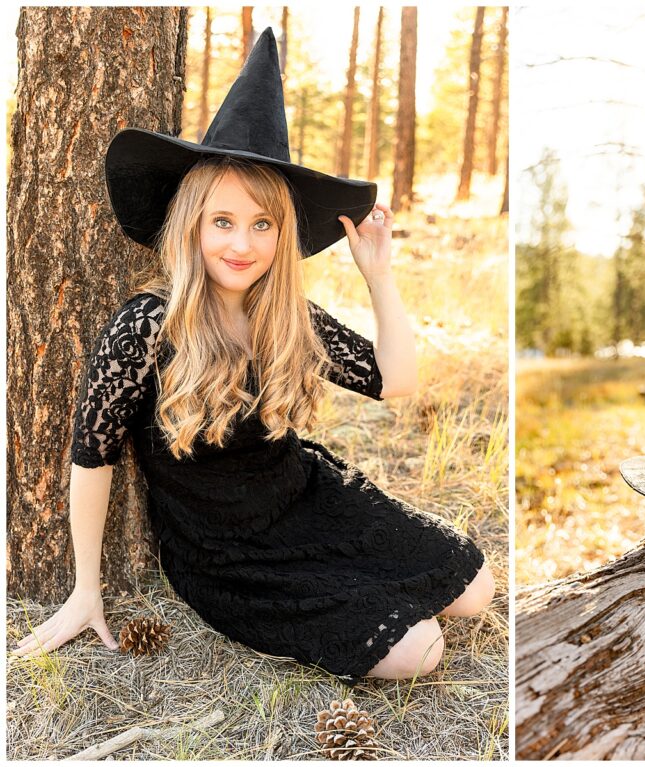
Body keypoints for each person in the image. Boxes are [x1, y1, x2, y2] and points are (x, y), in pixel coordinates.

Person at [10, 28, 494, 680]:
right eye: (223, 221)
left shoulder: (284, 316)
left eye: (262, 224)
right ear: (193, 223)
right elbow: (90, 458)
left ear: (282, 232)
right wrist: (85, 589)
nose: (243, 243)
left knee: (478, 587)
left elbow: (396, 381)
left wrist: (380, 276)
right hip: (225, 553)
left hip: (308, 495)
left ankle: (376, 581)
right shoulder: (146, 328)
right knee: (420, 648)